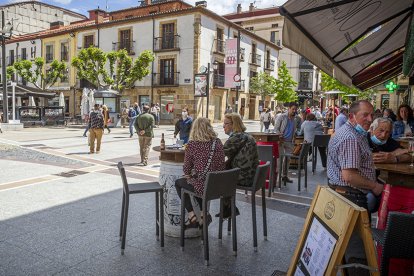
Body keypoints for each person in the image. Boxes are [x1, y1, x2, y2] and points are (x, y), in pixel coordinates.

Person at [327, 100, 385, 212]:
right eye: (365, 115)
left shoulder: (357, 132)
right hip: (351, 197)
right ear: (351, 116)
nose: (370, 119)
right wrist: (374, 186)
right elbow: (349, 176)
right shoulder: (350, 138)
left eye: (371, 115)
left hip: (349, 193)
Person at [175, 117, 225, 229]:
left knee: (180, 183)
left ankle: (192, 215)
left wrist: (190, 173)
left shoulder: (192, 144)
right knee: (196, 182)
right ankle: (203, 215)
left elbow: (186, 169)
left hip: (205, 187)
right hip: (219, 186)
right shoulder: (217, 142)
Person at [367, 117, 411, 212]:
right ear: (372, 129)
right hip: (363, 181)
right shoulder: (363, 139)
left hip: (380, 179)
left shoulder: (389, 141)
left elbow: (408, 155)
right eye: (381, 130)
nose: (384, 135)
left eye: (388, 132)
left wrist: (394, 157)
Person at [221, 113, 259, 218]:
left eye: (226, 123)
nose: (223, 126)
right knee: (225, 173)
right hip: (253, 176)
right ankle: (229, 208)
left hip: (245, 178)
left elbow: (219, 154)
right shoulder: (246, 135)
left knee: (218, 178)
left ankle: (227, 208)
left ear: (234, 125)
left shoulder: (236, 137)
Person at [274, 102, 299, 183]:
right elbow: (276, 129)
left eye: (295, 109)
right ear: (289, 109)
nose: (294, 111)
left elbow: (295, 130)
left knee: (288, 160)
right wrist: (279, 136)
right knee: (280, 159)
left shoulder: (295, 119)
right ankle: (277, 177)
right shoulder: (282, 117)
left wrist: (294, 135)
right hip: (281, 141)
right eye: (293, 109)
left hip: (289, 142)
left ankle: (285, 176)